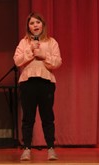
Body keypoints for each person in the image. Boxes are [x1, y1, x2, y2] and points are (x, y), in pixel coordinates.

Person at [13, 12, 62, 161]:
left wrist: (44, 56)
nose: (35, 25)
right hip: (28, 83)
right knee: (28, 118)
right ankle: (26, 148)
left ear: (43, 25)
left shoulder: (51, 42)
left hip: (46, 83)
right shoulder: (24, 42)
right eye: (32, 23)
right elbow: (17, 61)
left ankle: (51, 149)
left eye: (38, 22)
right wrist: (30, 51)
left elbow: (58, 61)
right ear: (28, 26)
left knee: (47, 117)